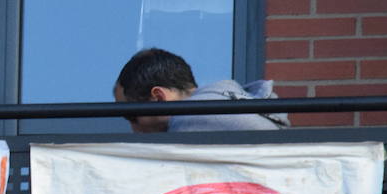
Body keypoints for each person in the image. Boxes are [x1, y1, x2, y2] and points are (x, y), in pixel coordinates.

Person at [113, 47, 290, 134]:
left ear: (158, 98)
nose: (132, 128)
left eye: (132, 115)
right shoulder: (234, 105)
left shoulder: (191, 122)